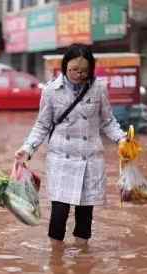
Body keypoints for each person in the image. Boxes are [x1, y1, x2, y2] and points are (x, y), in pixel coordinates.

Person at [14, 43, 127, 247]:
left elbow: (108, 121)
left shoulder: (98, 88)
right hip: (61, 160)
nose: (78, 75)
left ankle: (82, 257)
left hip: (89, 159)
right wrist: (28, 148)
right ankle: (56, 258)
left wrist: (122, 139)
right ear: (65, 67)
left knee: (85, 215)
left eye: (83, 71)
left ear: (91, 69)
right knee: (59, 213)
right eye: (73, 70)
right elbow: (42, 124)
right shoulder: (51, 91)